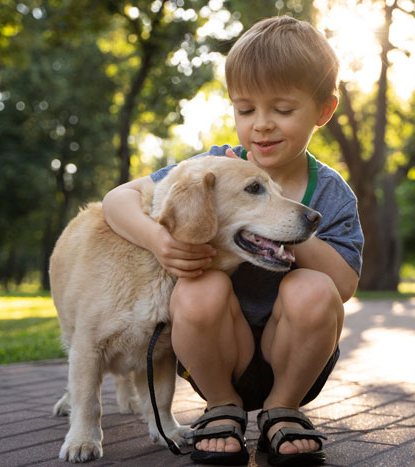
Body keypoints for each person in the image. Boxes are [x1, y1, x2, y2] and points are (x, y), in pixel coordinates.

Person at [102, 15, 363, 466]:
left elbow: (342, 286)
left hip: (297, 360)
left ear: (323, 111)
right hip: (219, 355)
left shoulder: (332, 192)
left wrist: (286, 224)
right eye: (245, 110)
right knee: (200, 285)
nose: (261, 125)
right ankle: (222, 407)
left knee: (314, 287)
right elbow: (116, 199)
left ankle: (282, 410)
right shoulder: (217, 170)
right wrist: (157, 240)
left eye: (282, 110)